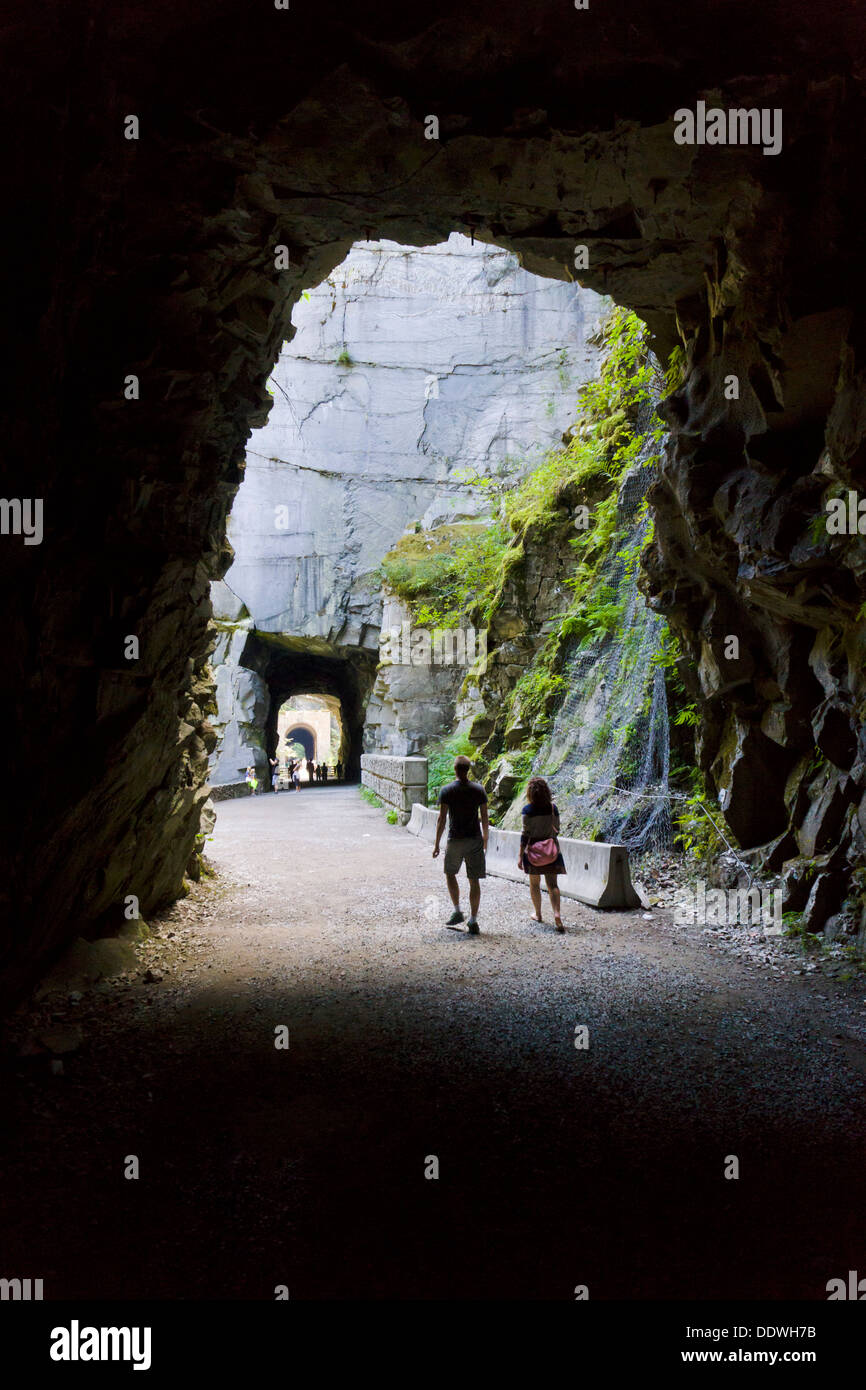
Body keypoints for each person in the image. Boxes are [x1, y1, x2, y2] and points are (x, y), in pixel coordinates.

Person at [432, 755, 488, 935]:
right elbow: (485, 817)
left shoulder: (447, 790)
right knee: (474, 880)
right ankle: (473, 920)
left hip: (455, 839)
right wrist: (485, 837)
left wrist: (436, 844)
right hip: (474, 839)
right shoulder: (479, 790)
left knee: (450, 874)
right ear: (468, 770)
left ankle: (457, 910)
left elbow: (441, 819)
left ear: (455, 770)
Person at [518, 777, 566, 932]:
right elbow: (557, 828)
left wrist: (520, 855)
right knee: (553, 885)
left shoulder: (527, 810)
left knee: (534, 884)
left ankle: (538, 914)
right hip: (551, 850)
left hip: (533, 852)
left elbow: (525, 834)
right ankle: (557, 914)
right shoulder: (553, 808)